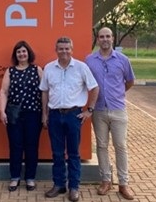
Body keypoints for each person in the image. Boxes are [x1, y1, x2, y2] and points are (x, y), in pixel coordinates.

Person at [39, 36, 99, 202]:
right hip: (55, 115)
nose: (64, 51)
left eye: (67, 48)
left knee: (73, 153)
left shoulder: (81, 67)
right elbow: (44, 91)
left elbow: (94, 88)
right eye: (61, 48)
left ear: (71, 50)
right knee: (57, 153)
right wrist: (44, 114)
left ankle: (74, 187)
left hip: (74, 115)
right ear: (56, 50)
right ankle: (59, 185)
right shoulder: (49, 68)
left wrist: (90, 110)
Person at [85, 27, 135, 200]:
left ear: (113, 38)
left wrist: (117, 94)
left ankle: (123, 183)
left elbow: (129, 81)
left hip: (118, 109)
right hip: (98, 110)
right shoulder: (90, 60)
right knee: (101, 146)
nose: (104, 39)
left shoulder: (123, 60)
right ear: (97, 39)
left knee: (120, 146)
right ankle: (106, 180)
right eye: (101, 37)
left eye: (107, 36)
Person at [0, 40, 43, 192]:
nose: (21, 54)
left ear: (28, 53)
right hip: (14, 115)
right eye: (19, 52)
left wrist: (45, 113)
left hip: (33, 114)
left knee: (31, 146)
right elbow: (4, 92)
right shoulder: (10, 71)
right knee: (15, 146)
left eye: (24, 51)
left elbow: (45, 92)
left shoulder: (37, 69)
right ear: (15, 55)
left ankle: (30, 178)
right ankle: (15, 177)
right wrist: (2, 111)